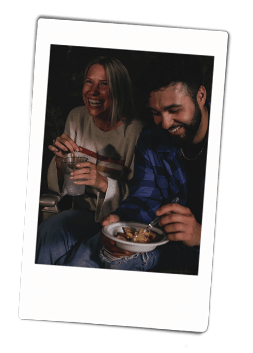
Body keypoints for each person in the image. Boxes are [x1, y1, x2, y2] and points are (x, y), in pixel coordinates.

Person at [48, 54, 209, 274]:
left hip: (201, 252)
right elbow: (144, 198)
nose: (165, 123)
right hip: (155, 240)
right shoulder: (151, 139)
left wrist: (203, 235)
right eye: (156, 113)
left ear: (201, 95)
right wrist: (121, 220)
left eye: (174, 110)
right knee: (81, 260)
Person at [36, 56, 143, 265]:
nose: (93, 91)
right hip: (80, 214)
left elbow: (142, 198)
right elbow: (60, 186)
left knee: (79, 261)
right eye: (89, 81)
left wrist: (102, 183)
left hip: (119, 222)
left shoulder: (136, 132)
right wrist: (60, 162)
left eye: (104, 84)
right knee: (46, 235)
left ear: (119, 89)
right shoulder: (76, 118)